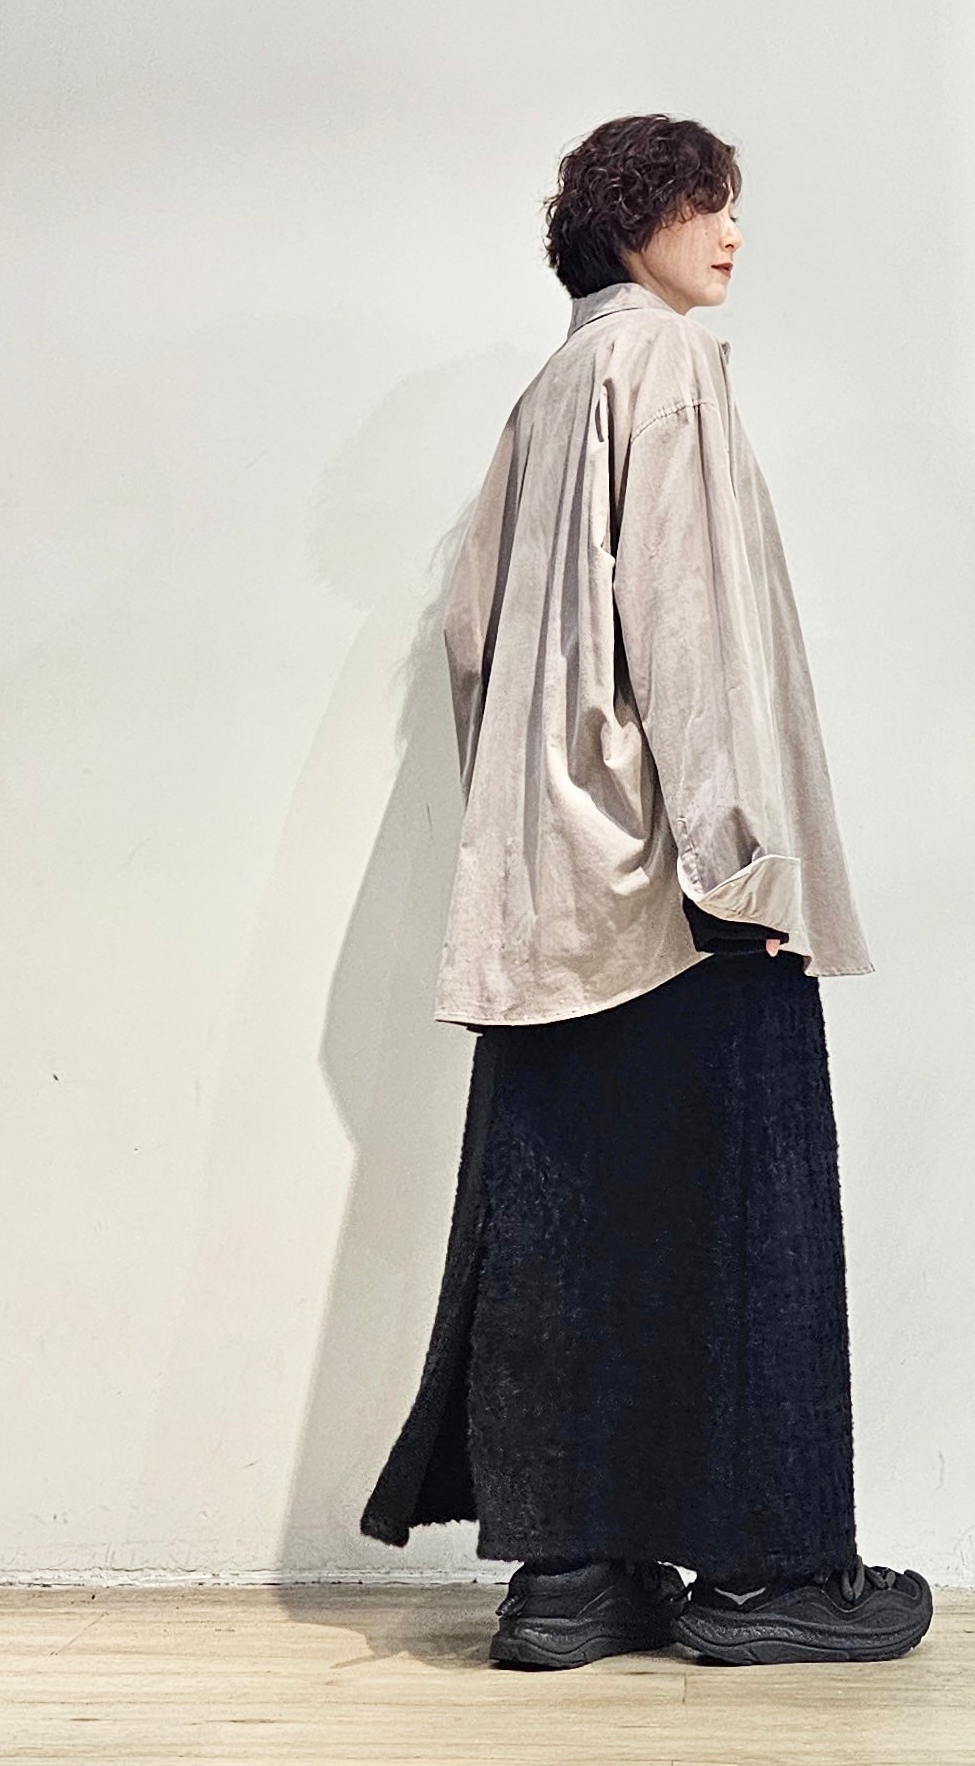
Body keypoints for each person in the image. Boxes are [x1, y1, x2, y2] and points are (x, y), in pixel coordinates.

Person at [359, 113, 932, 1671]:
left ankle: (569, 1578)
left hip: (557, 886)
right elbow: (691, 626)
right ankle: (767, 1576)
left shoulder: (549, 391)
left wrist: (538, 825)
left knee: (571, 1216)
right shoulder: (664, 365)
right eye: (707, 203)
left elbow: (472, 645)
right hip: (680, 882)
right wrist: (738, 859)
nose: (731, 233)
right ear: (635, 217)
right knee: (748, 1205)